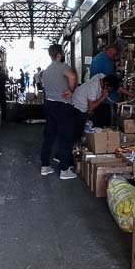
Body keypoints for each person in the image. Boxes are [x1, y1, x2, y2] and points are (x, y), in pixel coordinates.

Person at [40, 44, 77, 178]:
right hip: (63, 106)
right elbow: (72, 77)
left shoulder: (46, 71)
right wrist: (70, 90)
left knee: (49, 137)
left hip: (49, 105)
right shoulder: (63, 67)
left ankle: (45, 166)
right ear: (59, 55)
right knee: (65, 137)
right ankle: (64, 169)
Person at [89, 43, 121, 128]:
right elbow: (111, 81)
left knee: (99, 122)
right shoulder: (106, 61)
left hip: (97, 95)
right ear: (109, 51)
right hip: (105, 99)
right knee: (107, 123)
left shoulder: (97, 58)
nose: (114, 57)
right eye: (114, 54)